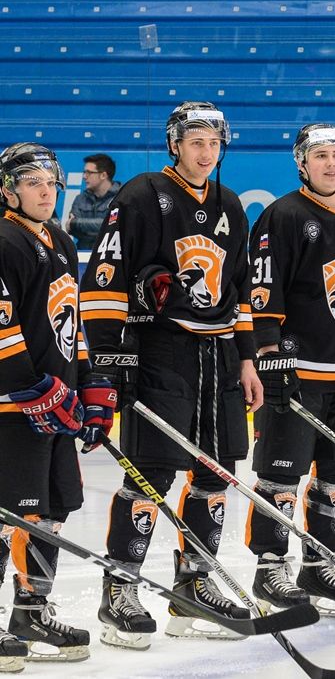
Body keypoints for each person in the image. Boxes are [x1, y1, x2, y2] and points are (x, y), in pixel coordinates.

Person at [81, 101, 263, 649]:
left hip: (219, 356)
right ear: (175, 145)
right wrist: (108, 363)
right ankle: (120, 590)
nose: (206, 153)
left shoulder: (231, 204)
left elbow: (240, 291)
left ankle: (193, 589)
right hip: (159, 352)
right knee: (150, 474)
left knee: (214, 474)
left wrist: (248, 358)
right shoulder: (141, 195)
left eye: (213, 143)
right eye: (195, 142)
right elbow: (105, 281)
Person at [246, 124, 335, 617]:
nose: (331, 164)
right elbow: (264, 293)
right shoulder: (282, 215)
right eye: (320, 156)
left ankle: (318, 564)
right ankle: (270, 568)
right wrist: (270, 356)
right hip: (297, 372)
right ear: (302, 163)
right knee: (280, 473)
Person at [0, 143, 112, 665]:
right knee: (8, 513)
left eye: (51, 183)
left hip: (56, 403)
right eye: (32, 183)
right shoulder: (3, 241)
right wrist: (34, 389)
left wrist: (89, 387)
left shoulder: (62, 241)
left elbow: (72, 325)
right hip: (12, 406)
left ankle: (31, 613)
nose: (46, 192)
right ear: (8, 191)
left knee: (50, 511)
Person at [67, 153, 120, 251]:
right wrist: (101, 226)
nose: (84, 176)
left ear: (103, 175)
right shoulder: (80, 199)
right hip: (83, 255)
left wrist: (78, 223)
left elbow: (115, 227)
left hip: (110, 255)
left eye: (89, 172)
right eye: (84, 172)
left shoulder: (120, 198)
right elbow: (71, 228)